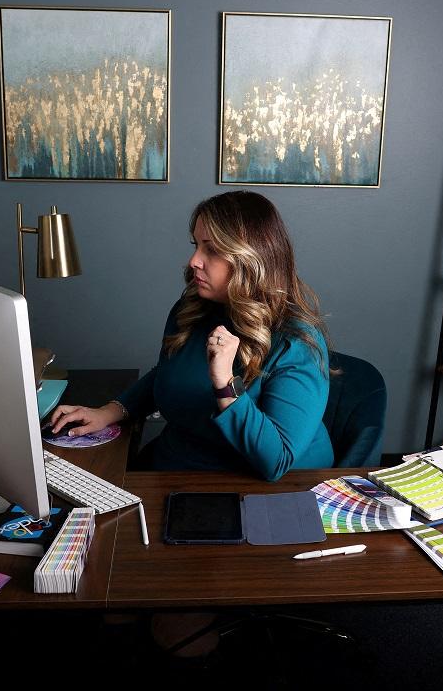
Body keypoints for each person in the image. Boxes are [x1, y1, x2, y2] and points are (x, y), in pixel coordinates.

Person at [48, 190, 333, 481]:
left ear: (250, 258)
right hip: (181, 466)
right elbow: (170, 374)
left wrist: (224, 384)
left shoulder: (298, 343)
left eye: (211, 249)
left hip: (266, 487)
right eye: (196, 245)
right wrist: (111, 411)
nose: (194, 260)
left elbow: (276, 460)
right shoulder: (193, 310)